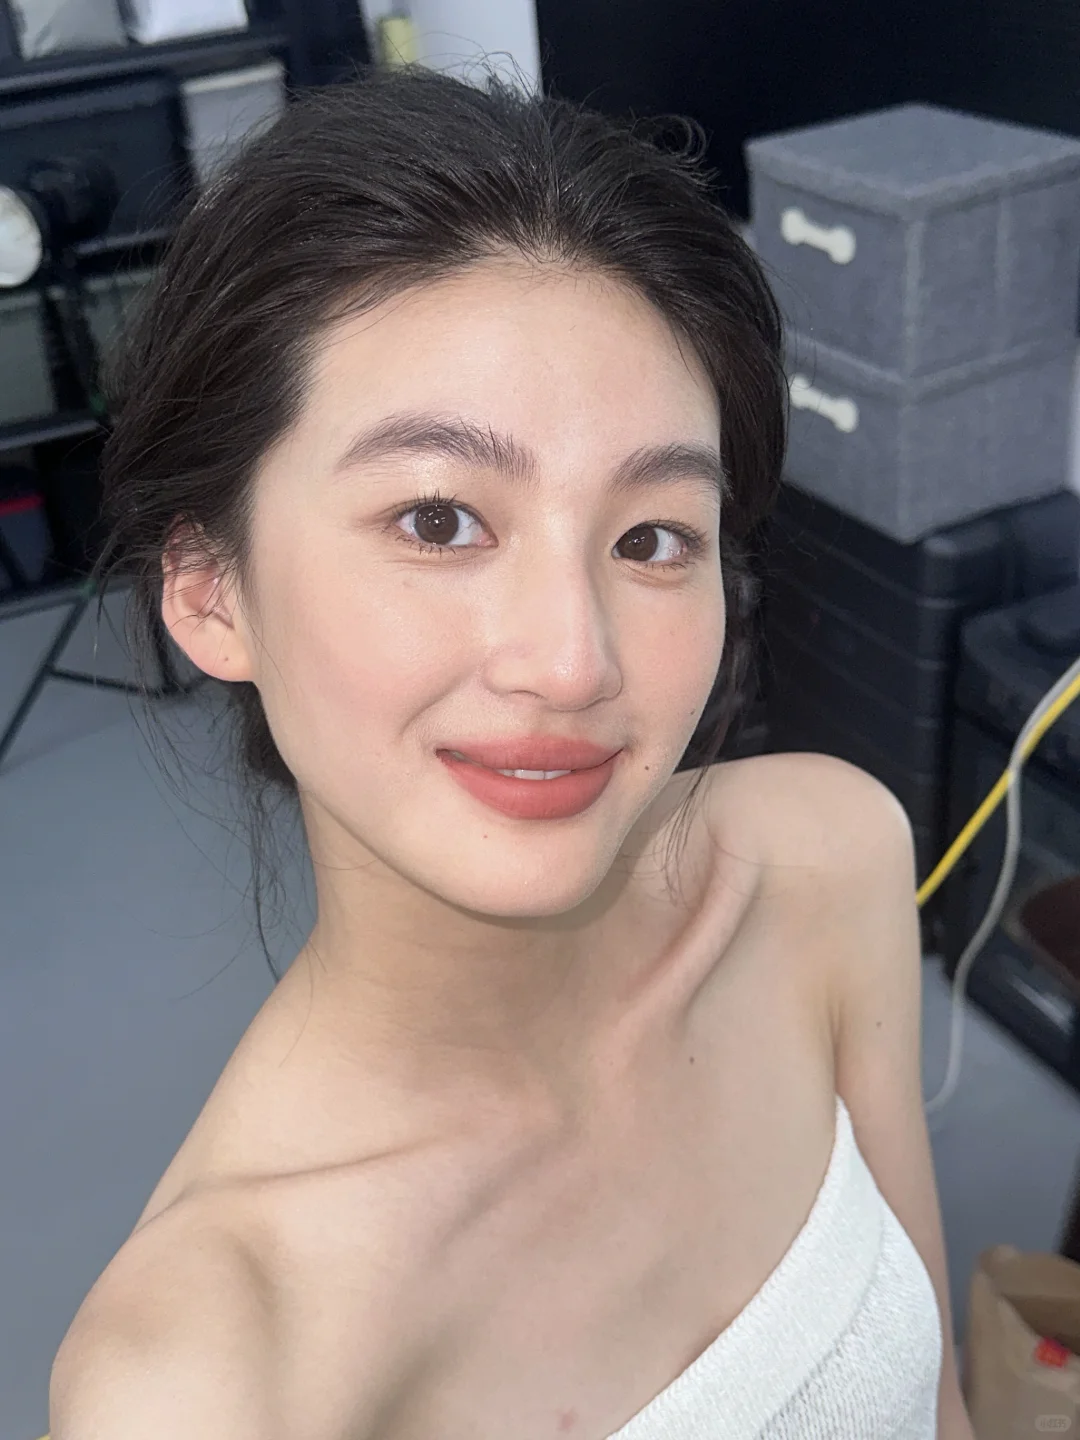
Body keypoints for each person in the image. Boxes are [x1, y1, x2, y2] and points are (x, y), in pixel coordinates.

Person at [48, 66, 974, 1439]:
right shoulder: (209, 1380)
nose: (574, 661)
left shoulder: (822, 858)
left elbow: (941, 1407)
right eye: (438, 521)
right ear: (209, 591)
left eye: (652, 537)